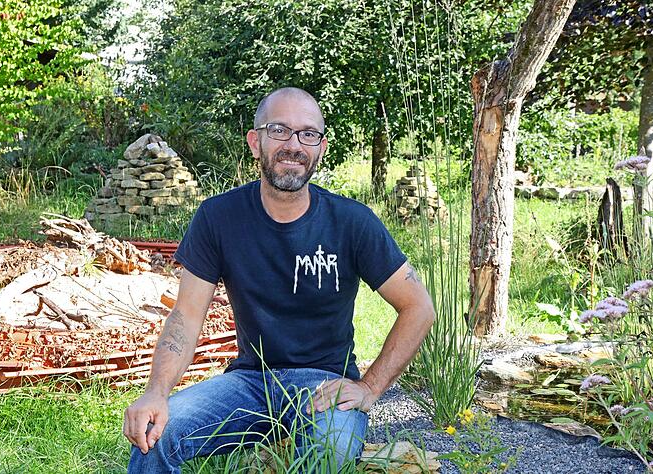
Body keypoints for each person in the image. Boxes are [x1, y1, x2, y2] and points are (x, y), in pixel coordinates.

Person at [123, 87, 434, 473]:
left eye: (308, 134)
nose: (294, 145)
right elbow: (186, 318)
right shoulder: (218, 217)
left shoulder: (352, 221)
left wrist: (370, 387)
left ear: (320, 147)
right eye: (280, 131)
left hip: (324, 385)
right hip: (249, 383)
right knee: (155, 437)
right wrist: (156, 392)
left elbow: (418, 306)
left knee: (331, 453)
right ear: (256, 142)